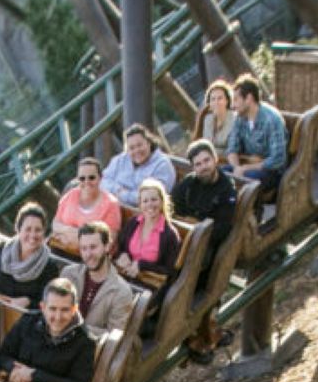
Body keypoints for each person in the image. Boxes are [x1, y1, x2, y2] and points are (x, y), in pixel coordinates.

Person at [171, 140, 241, 362]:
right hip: (186, 239)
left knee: (194, 266)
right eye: (198, 164)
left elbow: (221, 228)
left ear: (215, 160)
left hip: (208, 244)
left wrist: (197, 227)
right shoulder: (188, 185)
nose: (203, 166)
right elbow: (174, 210)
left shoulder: (225, 189)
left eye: (206, 161)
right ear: (193, 167)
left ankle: (194, 311)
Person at [0, 277, 98, 382]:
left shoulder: (86, 342)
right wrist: (15, 370)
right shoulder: (27, 322)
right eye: (52, 309)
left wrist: (34, 376)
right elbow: (1, 356)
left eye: (65, 310)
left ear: (75, 309)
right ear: (43, 307)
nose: (58, 316)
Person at [114, 179, 182, 331]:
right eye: (145, 200)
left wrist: (142, 265)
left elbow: (170, 272)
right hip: (125, 277)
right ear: (140, 204)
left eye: (154, 199)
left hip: (149, 286)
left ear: (162, 201)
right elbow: (119, 248)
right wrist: (122, 255)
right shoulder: (133, 223)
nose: (150, 204)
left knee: (125, 312)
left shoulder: (170, 235)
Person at [58, 220, 138, 338]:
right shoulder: (68, 274)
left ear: (107, 246)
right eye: (83, 248)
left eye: (93, 247)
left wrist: (76, 327)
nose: (88, 254)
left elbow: (114, 337)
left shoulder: (122, 291)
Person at [0, 203, 62, 311]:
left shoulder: (49, 266)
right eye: (28, 229)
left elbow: (48, 303)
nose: (33, 235)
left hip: (22, 321)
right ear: (18, 229)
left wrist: (28, 302)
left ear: (44, 232)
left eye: (38, 230)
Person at [226, 74, 289, 197]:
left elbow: (277, 160)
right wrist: (237, 168)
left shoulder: (271, 119)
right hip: (246, 166)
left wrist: (246, 168)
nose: (233, 105)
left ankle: (246, 214)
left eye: (236, 100)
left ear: (248, 98)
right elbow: (232, 148)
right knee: (219, 174)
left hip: (271, 172)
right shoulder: (239, 117)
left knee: (247, 182)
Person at [50, 157, 123, 253]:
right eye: (82, 178)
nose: (87, 182)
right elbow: (55, 224)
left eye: (91, 178)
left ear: (100, 178)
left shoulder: (110, 204)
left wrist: (68, 236)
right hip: (61, 251)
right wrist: (69, 230)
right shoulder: (71, 195)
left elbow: (108, 243)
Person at [100, 123, 177, 208]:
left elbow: (152, 198)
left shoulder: (162, 165)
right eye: (132, 148)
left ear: (148, 143)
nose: (137, 150)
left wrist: (122, 194)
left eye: (139, 145)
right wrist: (118, 189)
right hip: (115, 208)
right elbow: (103, 181)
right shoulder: (120, 159)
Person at [198, 79, 236, 153]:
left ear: (227, 100)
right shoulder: (208, 119)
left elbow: (233, 149)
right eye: (213, 99)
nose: (216, 102)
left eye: (220, 98)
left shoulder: (235, 118)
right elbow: (207, 147)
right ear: (209, 103)